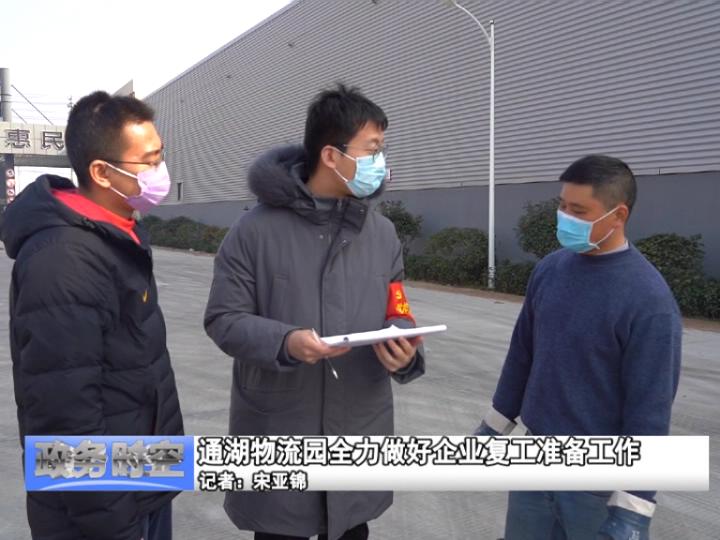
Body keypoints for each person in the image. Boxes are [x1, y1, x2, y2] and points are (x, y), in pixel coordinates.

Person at [204, 83, 425, 540]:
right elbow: (224, 318)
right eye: (372, 150)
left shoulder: (381, 234)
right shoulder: (254, 231)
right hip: (280, 427)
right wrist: (285, 342)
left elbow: (398, 307)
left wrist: (403, 344)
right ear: (331, 155)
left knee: (351, 527)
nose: (380, 161)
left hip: (358, 428)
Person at [1, 91, 184, 540]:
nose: (160, 171)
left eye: (161, 155)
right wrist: (112, 521)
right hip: (103, 511)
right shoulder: (62, 260)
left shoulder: (115, 234)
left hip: (140, 480)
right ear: (102, 172)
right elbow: (64, 413)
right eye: (149, 161)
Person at [474, 155, 682, 540]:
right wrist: (493, 426)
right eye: (563, 206)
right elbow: (522, 356)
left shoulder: (648, 300)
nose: (565, 218)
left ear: (618, 215)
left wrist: (634, 506)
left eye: (579, 211)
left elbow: (649, 409)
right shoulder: (549, 271)